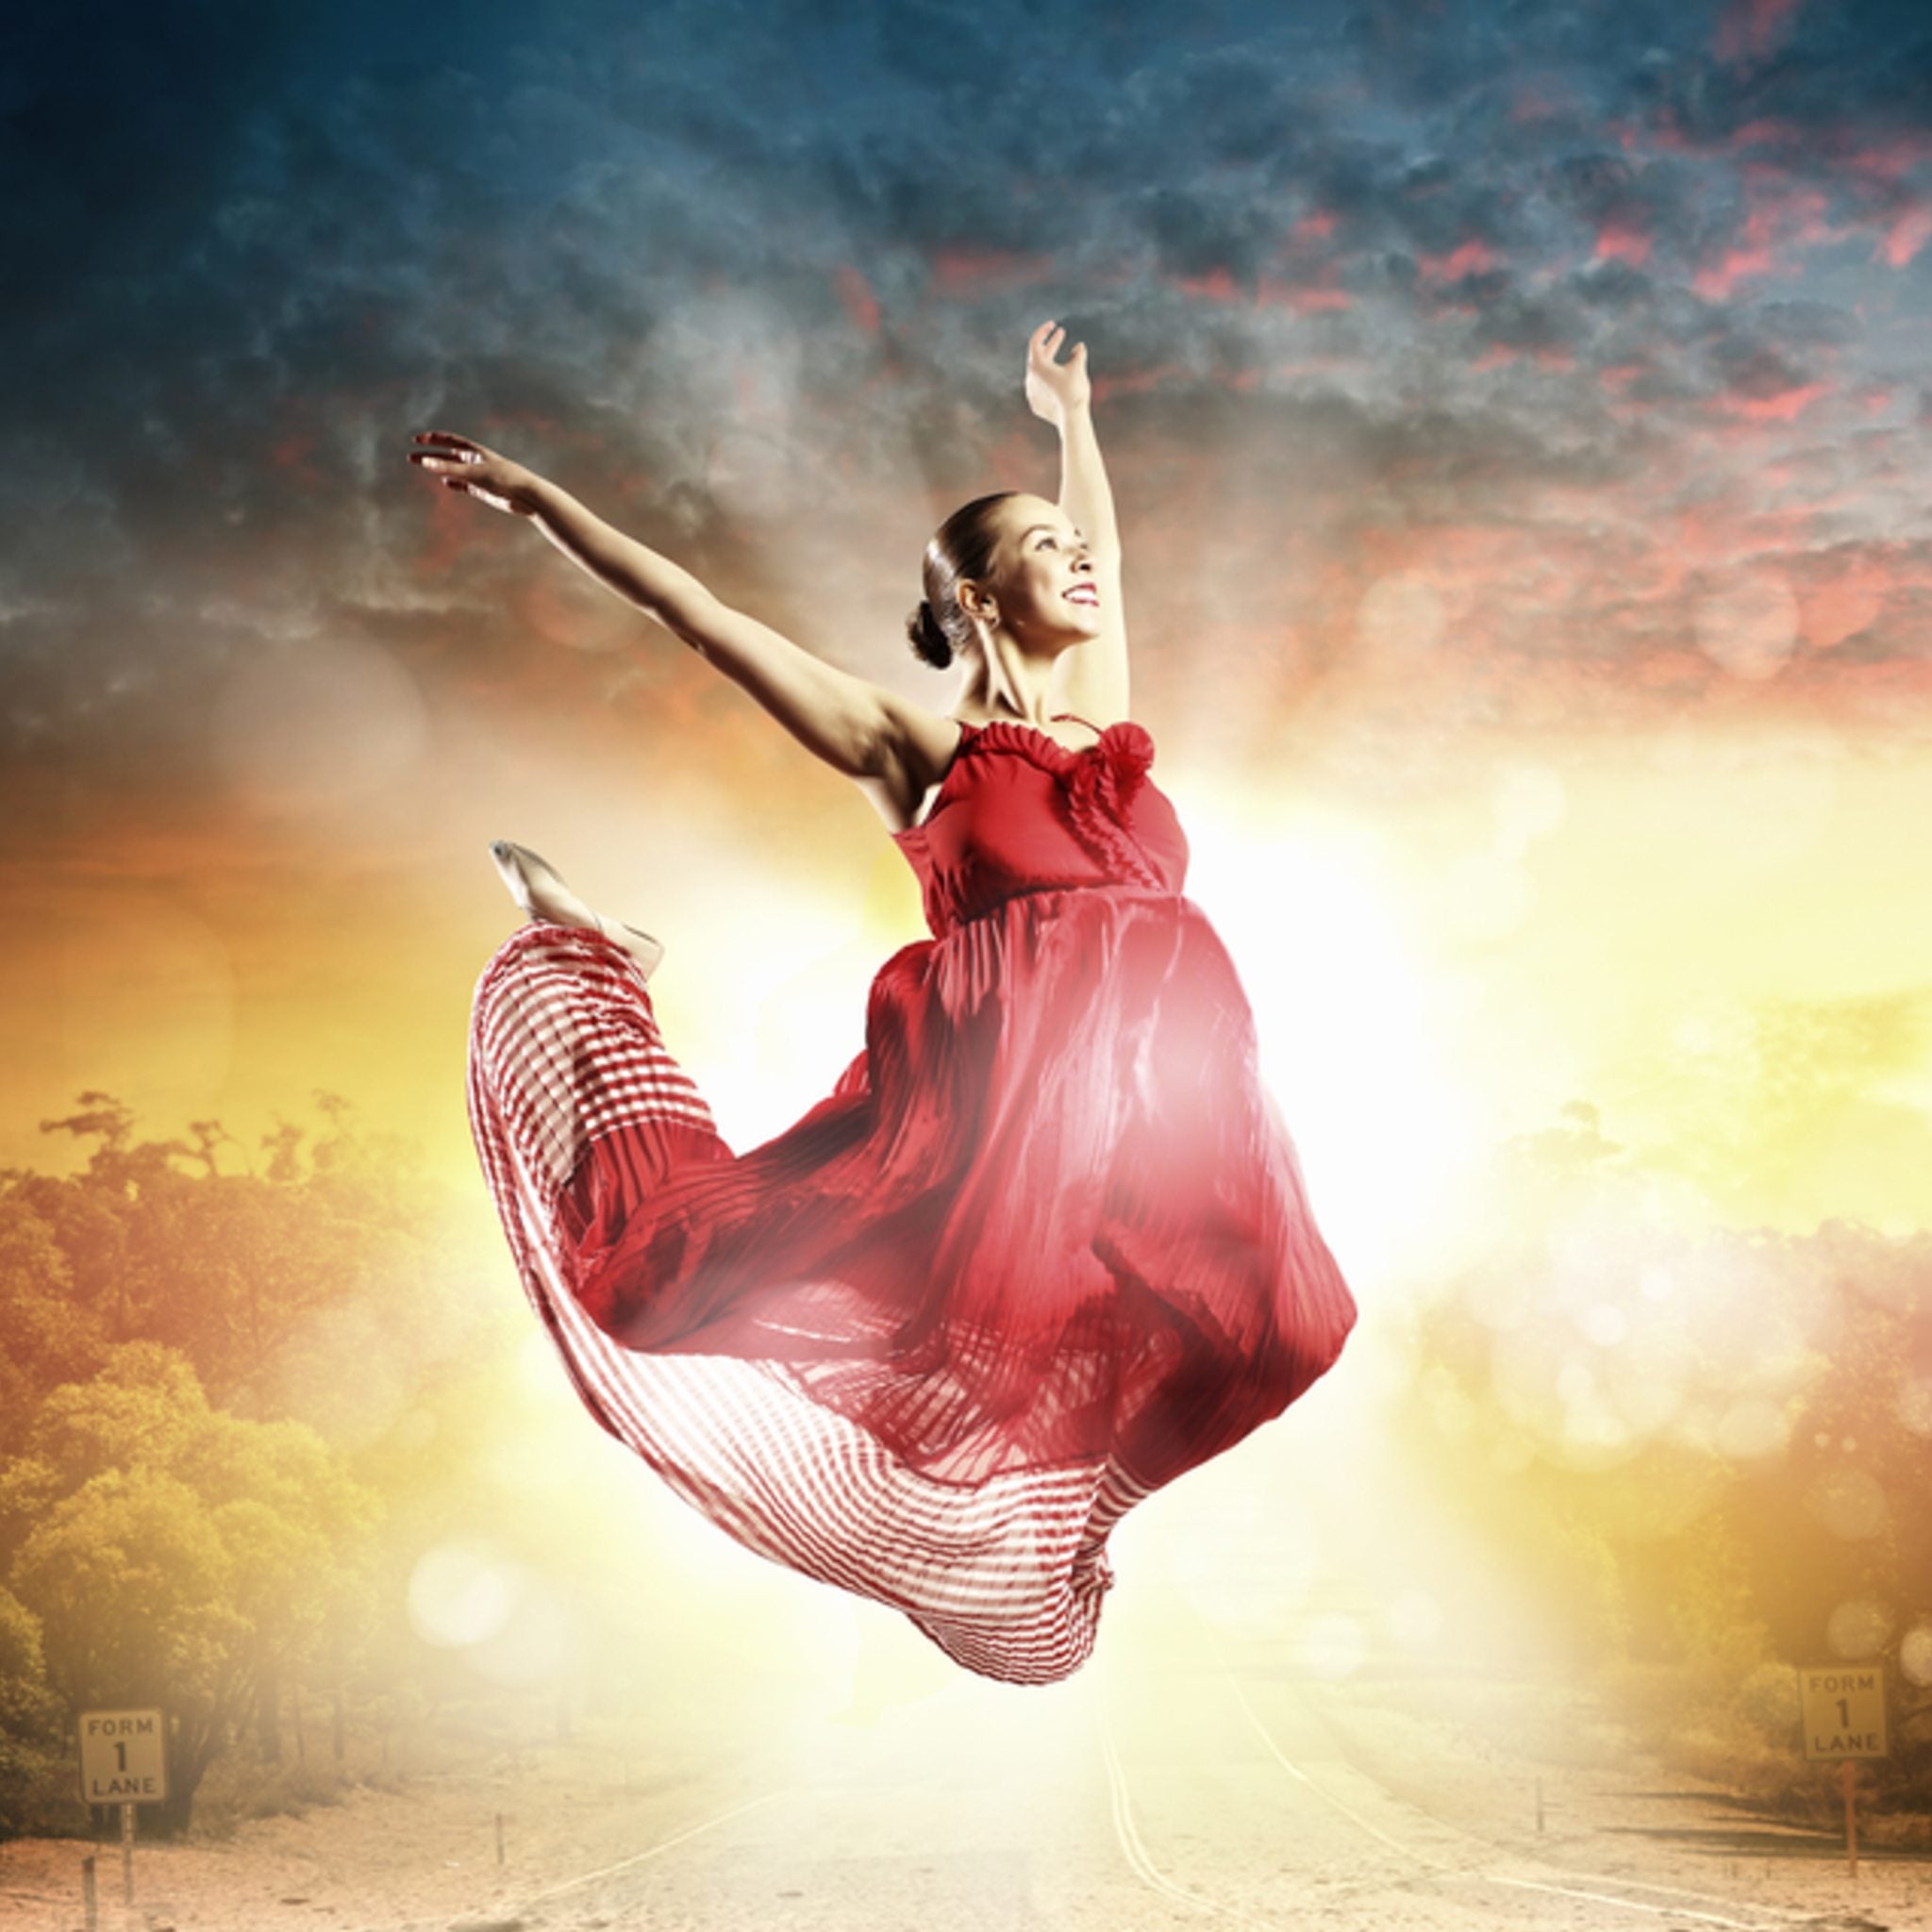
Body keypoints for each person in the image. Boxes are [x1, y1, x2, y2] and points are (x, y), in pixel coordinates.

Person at [409, 321, 1357, 1685]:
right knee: (681, 1282)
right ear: (974, 597)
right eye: (1041, 548)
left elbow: (1111, 540)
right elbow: (702, 619)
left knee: (1287, 1328)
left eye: (1068, 544)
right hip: (986, 1115)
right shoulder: (916, 749)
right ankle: (605, 964)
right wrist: (543, 500)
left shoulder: (1102, 718)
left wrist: (1069, 418)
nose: (1078, 561)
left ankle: (1060, 1527)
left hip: (1167, 1102)